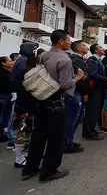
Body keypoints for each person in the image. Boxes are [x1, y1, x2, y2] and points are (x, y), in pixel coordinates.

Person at [22, 30, 84, 182]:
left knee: (39, 136)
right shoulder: (65, 60)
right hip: (57, 101)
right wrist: (78, 77)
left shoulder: (44, 55)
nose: (70, 42)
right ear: (61, 41)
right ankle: (49, 170)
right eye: (68, 40)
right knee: (56, 138)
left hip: (42, 99)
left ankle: (30, 167)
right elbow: (65, 84)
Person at [10, 43, 40, 168]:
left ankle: (23, 155)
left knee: (24, 130)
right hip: (25, 102)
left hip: (24, 101)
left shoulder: (21, 61)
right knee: (23, 131)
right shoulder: (24, 63)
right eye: (35, 50)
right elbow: (24, 84)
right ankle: (19, 158)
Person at [82, 44, 107, 141]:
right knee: (92, 111)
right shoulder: (92, 60)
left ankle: (91, 130)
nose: (103, 49)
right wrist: (106, 79)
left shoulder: (98, 60)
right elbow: (93, 74)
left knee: (95, 111)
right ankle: (89, 132)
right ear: (96, 50)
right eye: (100, 48)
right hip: (95, 89)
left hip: (99, 88)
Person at [66, 40, 89, 153]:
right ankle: (67, 143)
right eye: (84, 45)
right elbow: (80, 79)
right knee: (72, 118)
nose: (87, 47)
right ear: (79, 49)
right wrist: (84, 92)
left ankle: (69, 140)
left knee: (77, 117)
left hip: (79, 93)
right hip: (75, 93)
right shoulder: (76, 61)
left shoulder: (79, 60)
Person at [0, 56, 14, 142]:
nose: (11, 62)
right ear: (3, 63)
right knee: (5, 116)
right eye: (9, 61)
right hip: (5, 96)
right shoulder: (7, 74)